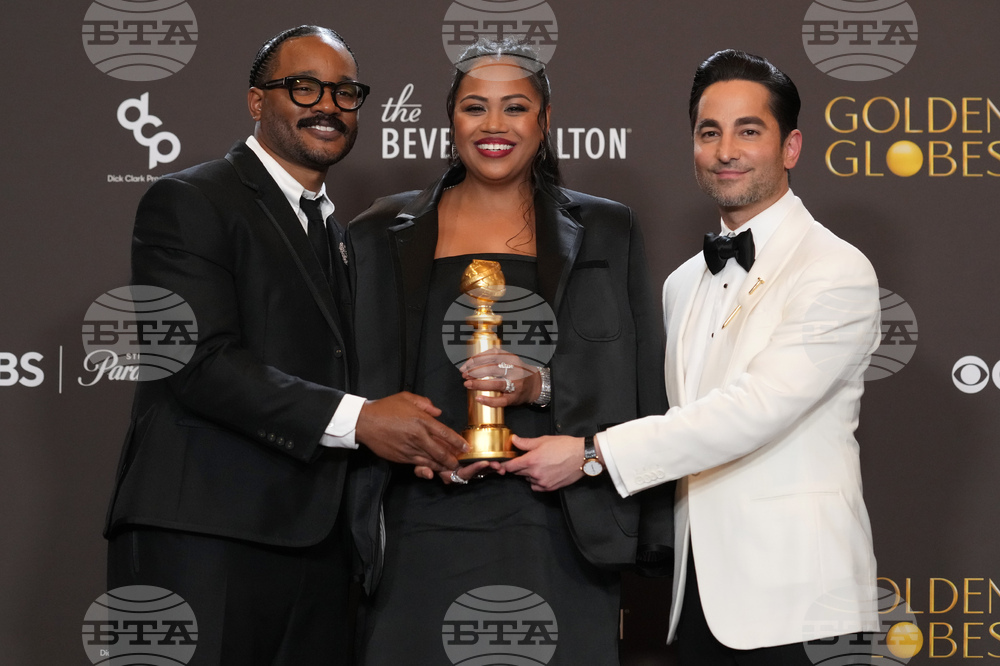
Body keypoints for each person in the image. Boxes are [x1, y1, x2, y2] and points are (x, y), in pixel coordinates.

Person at [103, 25, 468, 665]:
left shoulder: (341, 235)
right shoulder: (189, 200)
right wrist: (364, 420)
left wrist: (424, 439)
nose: (327, 105)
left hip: (318, 547)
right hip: (204, 537)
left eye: (345, 92)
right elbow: (198, 362)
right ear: (256, 101)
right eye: (304, 87)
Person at [508, 49, 881, 664]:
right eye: (710, 133)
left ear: (791, 147)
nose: (726, 151)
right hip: (699, 598)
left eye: (749, 131)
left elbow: (754, 410)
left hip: (803, 603)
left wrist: (592, 455)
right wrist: (541, 389)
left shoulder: (835, 268)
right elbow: (655, 401)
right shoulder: (682, 282)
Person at [347, 39, 670, 665]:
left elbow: (636, 380)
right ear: (450, 119)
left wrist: (541, 386)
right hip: (417, 524)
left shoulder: (608, 229)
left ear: (545, 121)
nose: (494, 125)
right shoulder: (377, 233)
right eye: (475, 107)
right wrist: (415, 452)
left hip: (562, 529)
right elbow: (355, 384)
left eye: (515, 107)